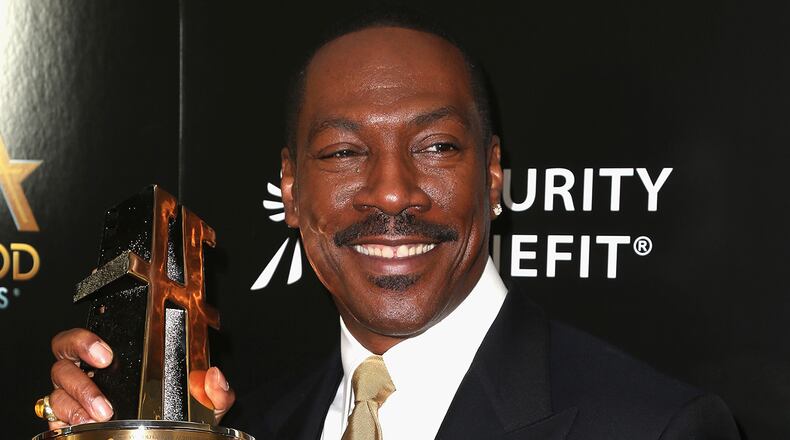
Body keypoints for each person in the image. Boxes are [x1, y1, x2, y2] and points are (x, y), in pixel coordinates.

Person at [41, 13, 741, 440]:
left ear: (492, 176)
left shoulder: (653, 429)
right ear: (289, 189)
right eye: (344, 152)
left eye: (436, 147)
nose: (392, 190)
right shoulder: (256, 426)